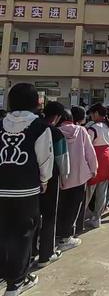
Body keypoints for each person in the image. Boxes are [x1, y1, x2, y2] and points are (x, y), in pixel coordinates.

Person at [0, 83, 53, 295]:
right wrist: (45, 180)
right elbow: (45, 159)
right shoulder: (40, 127)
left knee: (2, 232)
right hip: (26, 190)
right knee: (23, 234)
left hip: (1, 188)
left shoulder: (1, 123)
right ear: (36, 102)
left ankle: (5, 273)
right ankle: (16, 283)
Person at [57, 108, 97, 251]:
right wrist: (94, 169)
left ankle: (55, 234)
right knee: (73, 207)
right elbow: (89, 152)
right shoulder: (81, 131)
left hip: (60, 177)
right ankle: (66, 237)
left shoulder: (55, 131)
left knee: (59, 207)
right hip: (79, 176)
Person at [35, 101, 70, 268]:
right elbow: (62, 158)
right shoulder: (55, 132)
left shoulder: (34, 127)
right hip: (51, 178)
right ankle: (46, 254)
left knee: (33, 216)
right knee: (49, 216)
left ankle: (32, 251)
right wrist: (65, 177)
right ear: (57, 117)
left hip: (30, 179)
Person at [85, 104, 109, 229]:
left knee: (88, 192)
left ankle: (80, 216)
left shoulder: (93, 129)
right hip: (107, 160)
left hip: (95, 160)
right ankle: (97, 218)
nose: (91, 117)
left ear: (96, 113)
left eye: (92, 114)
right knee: (101, 193)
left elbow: (86, 146)